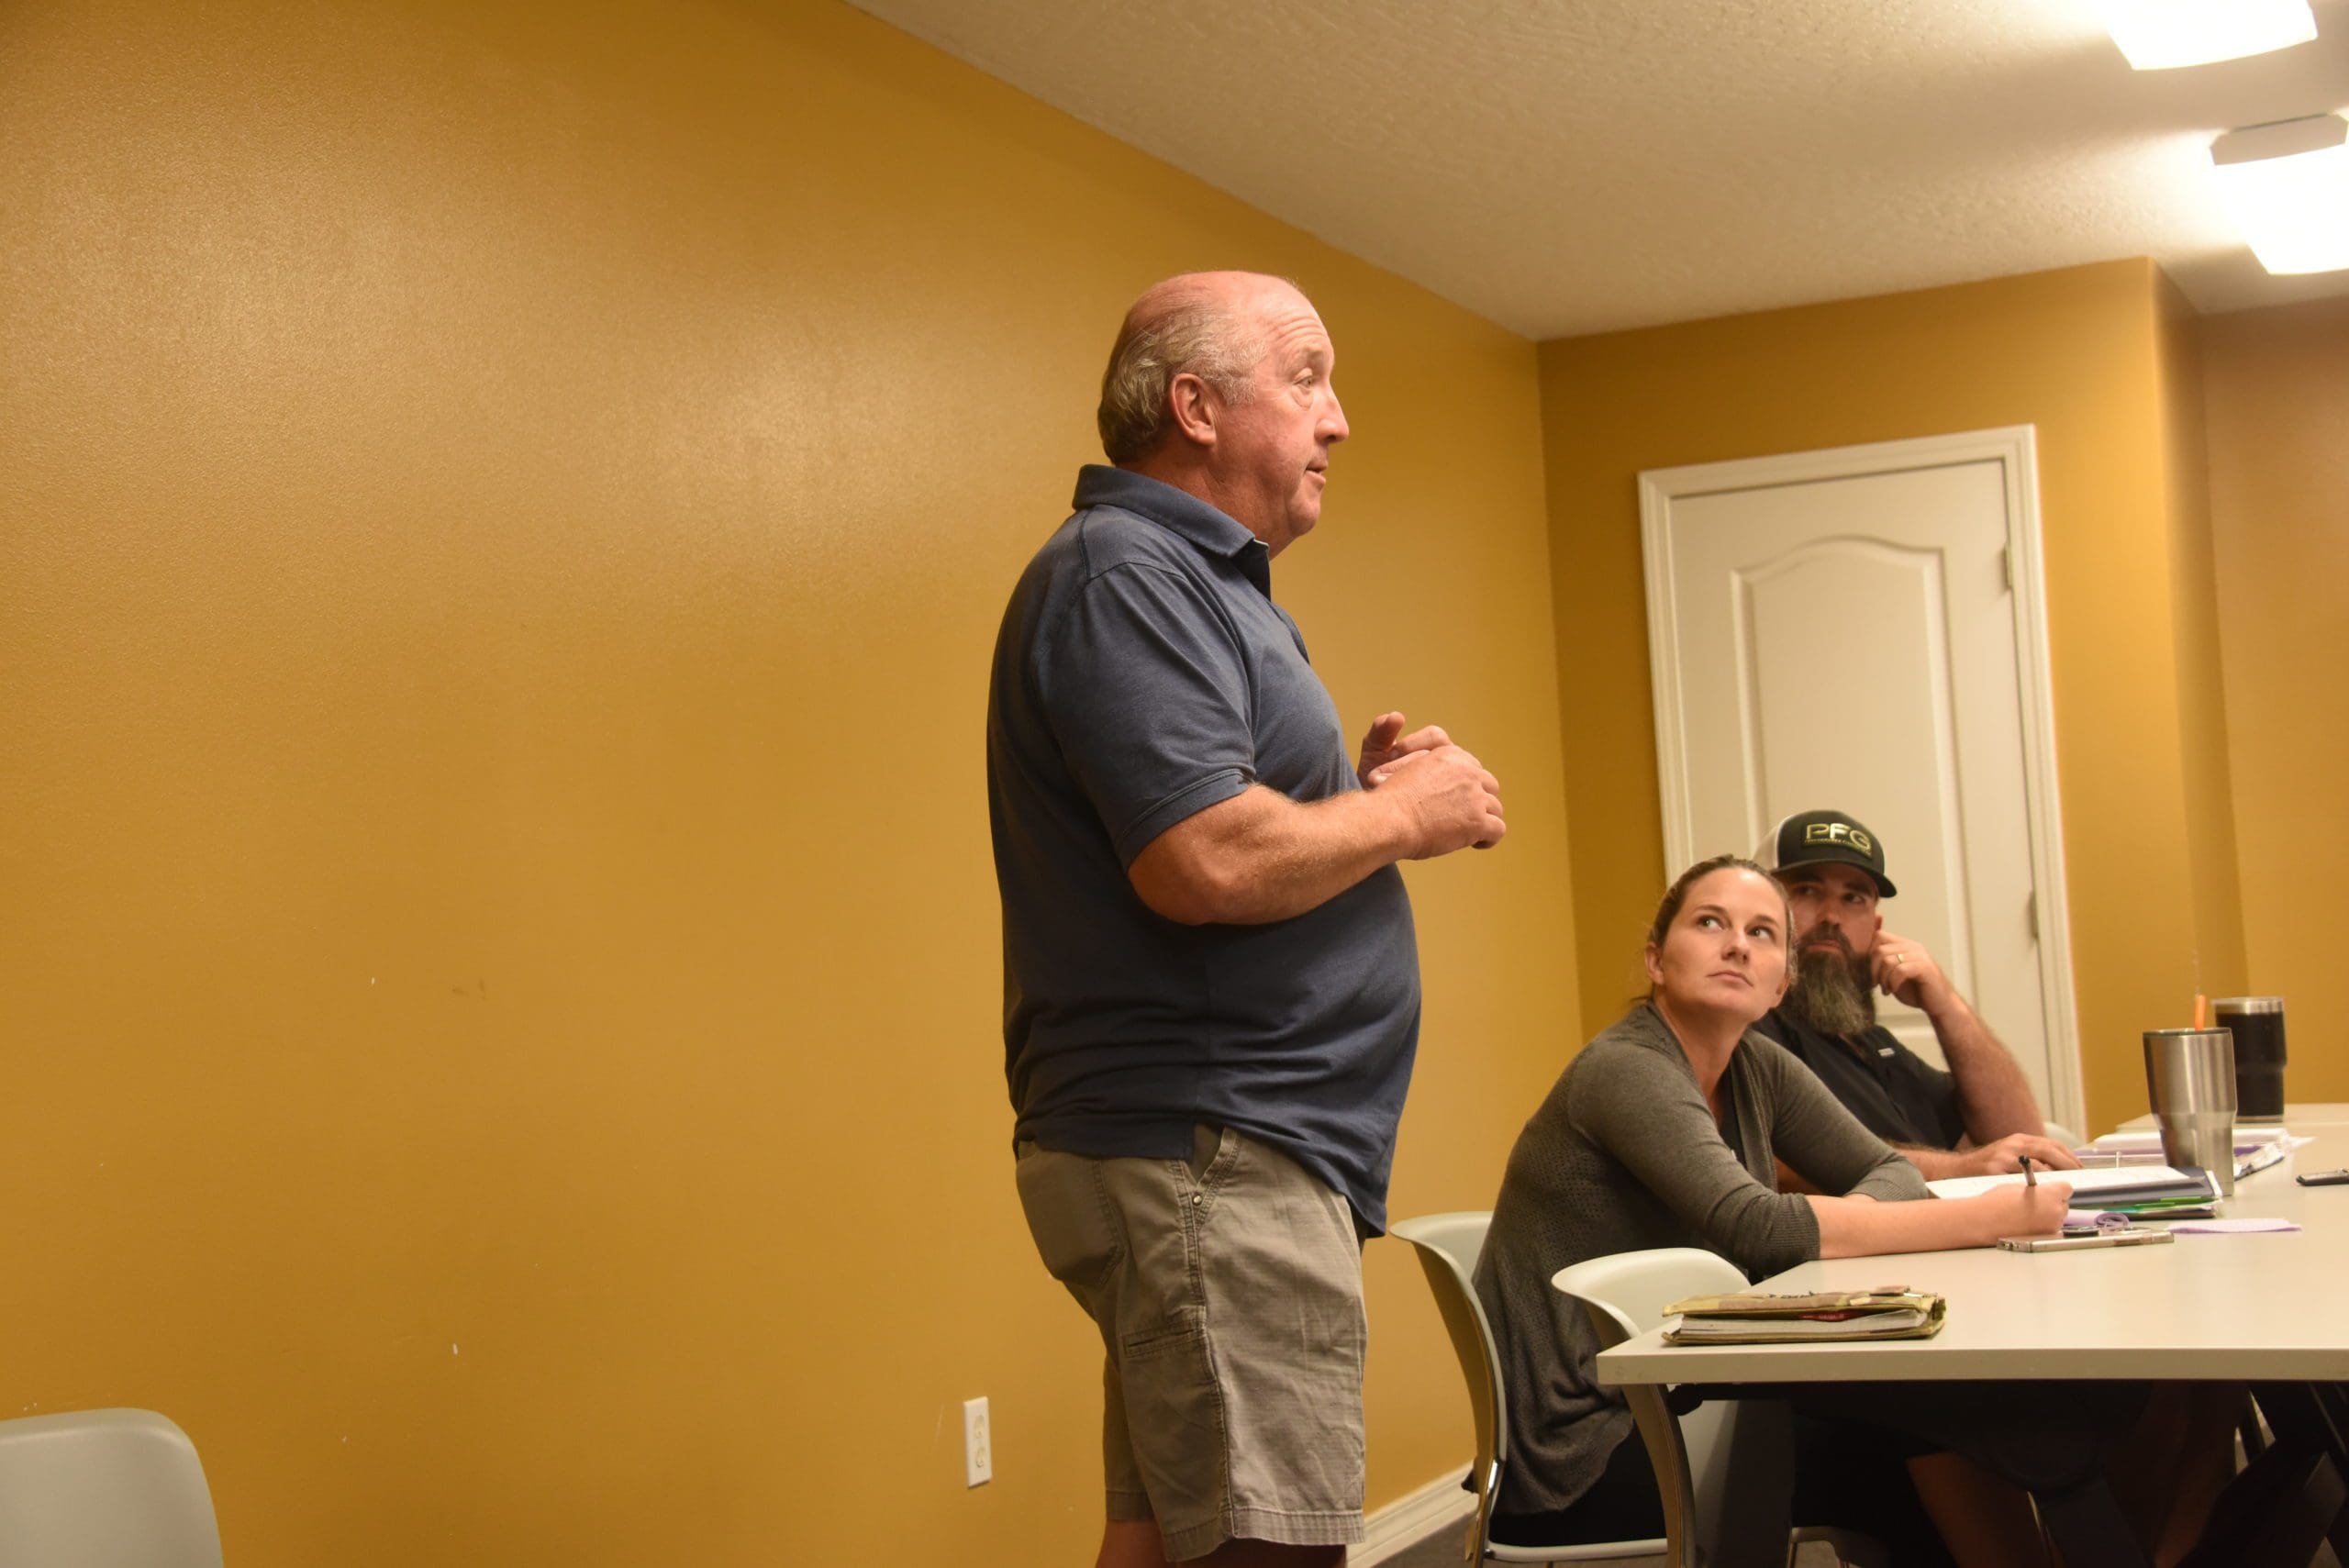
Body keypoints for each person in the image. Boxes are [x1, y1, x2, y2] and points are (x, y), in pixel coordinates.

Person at [985, 271, 1508, 1568]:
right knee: (1266, 1548)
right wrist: (1405, 817)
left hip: (1208, 1147)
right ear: (1196, 406)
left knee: (1167, 1537)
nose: (1339, 418)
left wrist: (1361, 803)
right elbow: (1203, 860)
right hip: (1208, 1148)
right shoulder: (1128, 572)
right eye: (1307, 377)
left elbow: (1224, 828)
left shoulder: (1202, 581)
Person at [1474, 855, 2089, 1567]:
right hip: (1585, 1444)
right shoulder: (1628, 1067)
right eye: (1711, 922)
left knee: (1927, 1415)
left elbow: (1886, 1168)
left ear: (1781, 985)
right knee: (1916, 1429)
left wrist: (1853, 1221)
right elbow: (1761, 1228)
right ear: (1656, 959)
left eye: (1762, 932)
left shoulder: (1756, 1068)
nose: (1737, 944)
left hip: (1680, 1386)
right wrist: (1992, 1216)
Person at [1752, 809, 2080, 1182]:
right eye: (1807, 891)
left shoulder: (1874, 1044)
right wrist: (1960, 1168)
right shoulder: (1747, 1029)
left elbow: (2021, 1139)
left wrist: (1945, 1004)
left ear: (1876, 928)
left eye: (1853, 898)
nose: (1832, 916)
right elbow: (1768, 1160)